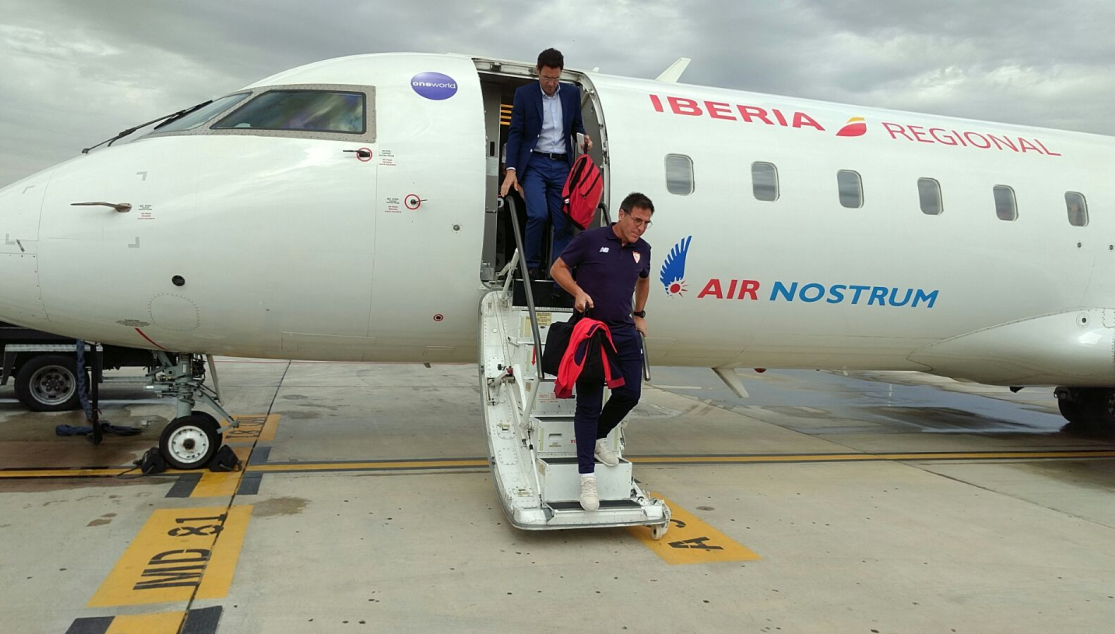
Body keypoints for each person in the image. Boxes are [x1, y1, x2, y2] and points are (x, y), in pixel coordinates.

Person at [550, 192, 653, 511]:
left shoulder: (643, 250)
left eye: (647, 223)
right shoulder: (591, 239)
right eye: (637, 220)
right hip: (590, 331)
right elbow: (558, 269)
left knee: (630, 394)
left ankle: (596, 438)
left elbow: (643, 280)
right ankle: (587, 481)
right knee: (589, 404)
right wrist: (578, 291)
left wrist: (639, 314)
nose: (641, 228)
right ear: (621, 215)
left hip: (623, 331)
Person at [500, 48, 593, 283]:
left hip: (562, 165)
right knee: (538, 215)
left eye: (555, 78)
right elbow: (516, 133)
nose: (551, 83)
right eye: (546, 78)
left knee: (563, 221)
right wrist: (511, 169)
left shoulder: (571, 94)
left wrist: (584, 138)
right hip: (535, 164)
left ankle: (558, 272)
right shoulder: (524, 94)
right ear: (537, 71)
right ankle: (530, 267)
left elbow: (576, 127)